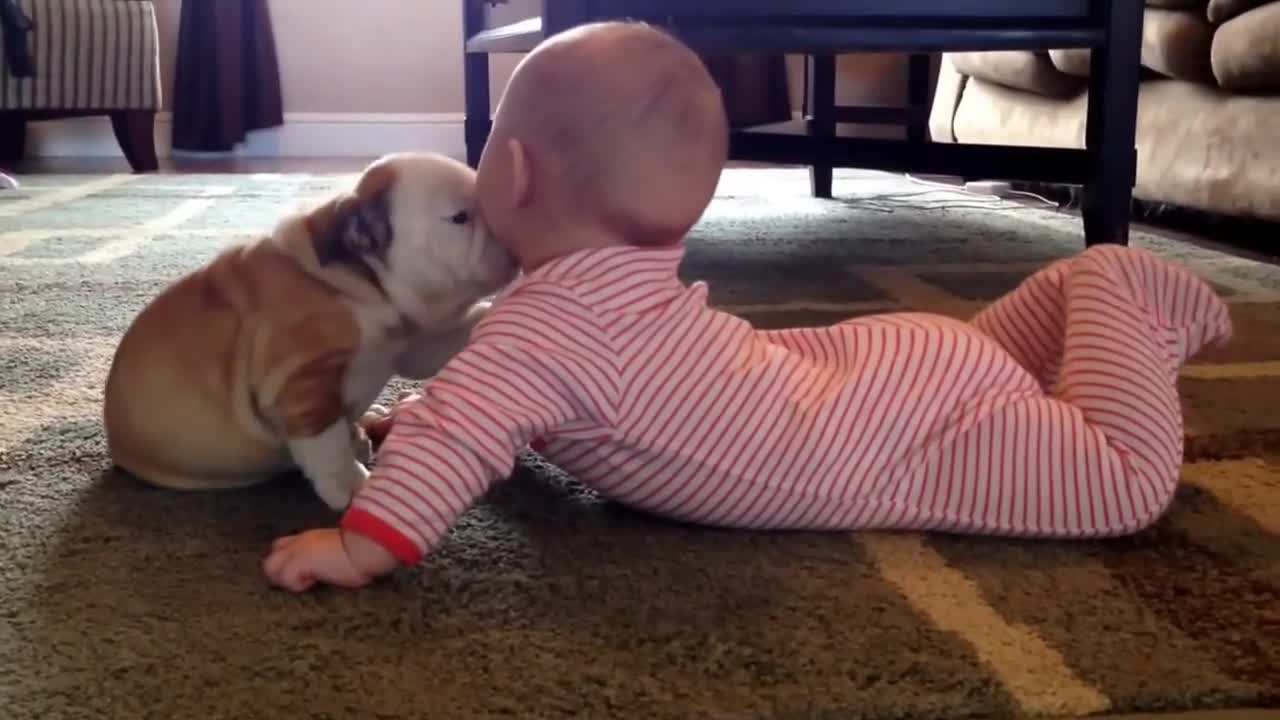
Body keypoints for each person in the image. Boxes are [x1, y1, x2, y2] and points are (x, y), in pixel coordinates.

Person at [263, 21, 1232, 593]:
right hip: (894, 371)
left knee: (1119, 480)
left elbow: (462, 430)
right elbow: (486, 416)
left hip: (900, 435)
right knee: (995, 361)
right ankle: (1066, 297)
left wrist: (360, 542)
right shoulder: (597, 305)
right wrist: (419, 423)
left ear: (511, 172)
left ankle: (1106, 283)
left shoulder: (540, 329)